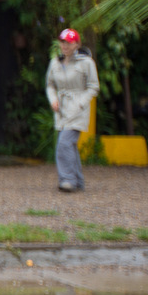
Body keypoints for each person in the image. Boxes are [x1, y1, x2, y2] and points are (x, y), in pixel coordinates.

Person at [46, 28, 99, 192]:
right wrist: (53, 99)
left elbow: (93, 86)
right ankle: (78, 181)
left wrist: (81, 103)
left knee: (64, 143)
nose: (65, 46)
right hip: (61, 110)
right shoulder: (55, 62)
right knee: (69, 145)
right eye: (63, 42)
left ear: (77, 44)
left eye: (69, 43)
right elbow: (50, 85)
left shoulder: (87, 63)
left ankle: (67, 180)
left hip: (77, 110)